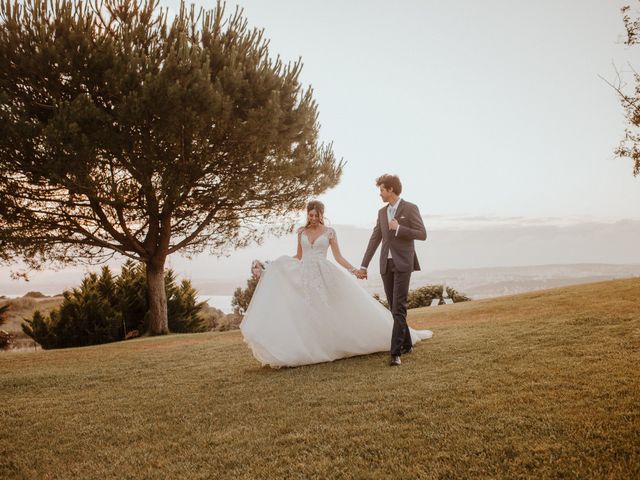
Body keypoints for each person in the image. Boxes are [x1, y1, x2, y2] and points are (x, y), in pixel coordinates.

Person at [240, 200, 432, 368]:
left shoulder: (330, 232)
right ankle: (316, 347)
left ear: (322, 215)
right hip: (306, 275)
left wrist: (354, 270)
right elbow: (298, 256)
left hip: (325, 274)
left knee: (333, 309)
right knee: (310, 311)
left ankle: (389, 338)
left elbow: (338, 257)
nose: (313, 218)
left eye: (316, 215)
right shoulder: (301, 232)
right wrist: (271, 265)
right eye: (310, 214)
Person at [355, 174, 428, 366]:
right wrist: (364, 265)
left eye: (381, 190)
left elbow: (422, 234)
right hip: (386, 265)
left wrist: (399, 228)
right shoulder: (381, 212)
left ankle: (395, 353)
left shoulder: (410, 208)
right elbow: (374, 239)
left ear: (391, 190)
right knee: (394, 309)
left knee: (399, 307)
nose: (380, 194)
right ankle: (407, 343)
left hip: (404, 263)